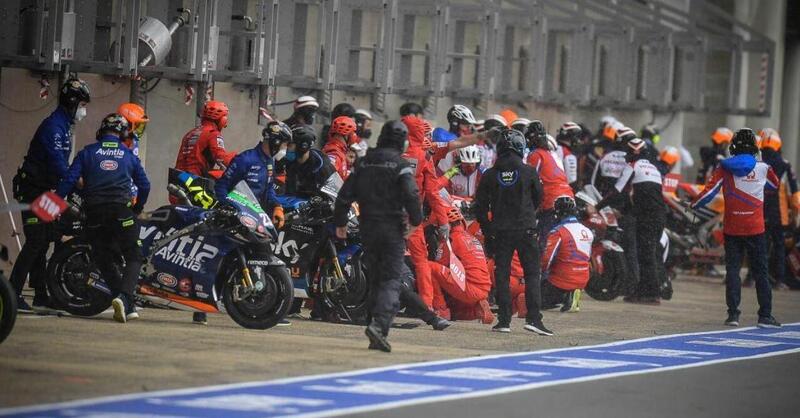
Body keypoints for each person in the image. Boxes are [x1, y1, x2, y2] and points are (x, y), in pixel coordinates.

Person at [333, 121, 423, 352]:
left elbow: (344, 194)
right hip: (391, 229)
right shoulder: (401, 165)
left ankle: (372, 325)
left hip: (367, 228)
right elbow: (411, 194)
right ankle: (379, 326)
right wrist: (416, 219)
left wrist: (341, 222)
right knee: (391, 280)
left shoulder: (364, 162)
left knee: (375, 278)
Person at [56, 114, 150, 323]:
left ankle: (126, 304)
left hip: (94, 213)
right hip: (121, 212)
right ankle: (124, 298)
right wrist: (137, 208)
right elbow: (145, 185)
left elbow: (69, 179)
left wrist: (55, 202)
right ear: (123, 133)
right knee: (134, 256)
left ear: (101, 130)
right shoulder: (128, 155)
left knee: (103, 257)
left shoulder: (87, 152)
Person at [11, 77, 90, 312]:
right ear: (72, 102)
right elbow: (59, 165)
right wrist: (77, 181)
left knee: (46, 238)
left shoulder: (64, 126)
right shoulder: (54, 127)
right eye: (82, 105)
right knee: (36, 240)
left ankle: (41, 294)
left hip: (44, 191)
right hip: (31, 190)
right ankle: (12, 293)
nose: (84, 111)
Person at [692, 128, 781, 328]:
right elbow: (774, 186)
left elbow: (708, 193)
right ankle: (765, 316)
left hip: (732, 228)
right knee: (761, 271)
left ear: (733, 147)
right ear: (755, 147)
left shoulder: (724, 167)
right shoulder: (763, 168)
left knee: (733, 270)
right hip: (756, 228)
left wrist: (693, 205)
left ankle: (733, 315)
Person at [475, 128, 551, 335]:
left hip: (500, 231)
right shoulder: (529, 171)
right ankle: (534, 319)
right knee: (532, 274)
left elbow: (479, 207)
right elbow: (539, 197)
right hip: (526, 229)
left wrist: (488, 230)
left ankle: (504, 321)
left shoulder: (490, 174)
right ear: (520, 147)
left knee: (502, 275)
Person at [596, 137, 665, 304]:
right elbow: (645, 195)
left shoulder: (632, 166)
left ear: (632, 153)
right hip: (659, 216)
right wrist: (623, 211)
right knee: (651, 254)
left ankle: (651, 295)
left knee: (645, 256)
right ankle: (645, 292)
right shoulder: (654, 169)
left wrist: (597, 207)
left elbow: (617, 191)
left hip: (646, 217)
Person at [401, 115, 451, 311]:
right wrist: (444, 221)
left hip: (386, 214)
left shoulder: (392, 152)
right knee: (421, 261)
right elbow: (432, 192)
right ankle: (427, 305)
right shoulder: (424, 157)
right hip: (412, 218)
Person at [758, 129, 799, 290]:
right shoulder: (785, 164)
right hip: (778, 214)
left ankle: (752, 278)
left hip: (758, 212)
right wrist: (796, 212)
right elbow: (794, 191)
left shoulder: (757, 163)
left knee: (758, 245)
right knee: (779, 245)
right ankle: (779, 280)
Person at [525, 123, 574, 250]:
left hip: (551, 201)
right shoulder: (553, 155)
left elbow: (529, 182)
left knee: (544, 243)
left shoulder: (535, 155)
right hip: (568, 198)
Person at [541, 195, 593, 312]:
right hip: (583, 278)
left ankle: (566, 297)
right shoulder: (587, 231)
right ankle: (572, 293)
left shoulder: (558, 232)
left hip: (561, 280)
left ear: (558, 213)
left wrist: (538, 274)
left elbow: (546, 261)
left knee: (534, 300)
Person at [175, 100, 235, 178]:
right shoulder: (213, 133)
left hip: (179, 177)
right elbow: (220, 157)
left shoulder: (190, 133)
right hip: (193, 179)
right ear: (222, 120)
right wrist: (238, 161)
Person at [285, 125, 336, 199]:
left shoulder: (321, 165)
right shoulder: (287, 162)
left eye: (290, 145)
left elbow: (334, 195)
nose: (286, 149)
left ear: (302, 146)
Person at [323, 116, 357, 180]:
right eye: (353, 133)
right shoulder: (334, 153)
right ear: (347, 135)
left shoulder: (339, 151)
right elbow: (327, 178)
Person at [555, 122, 581, 190]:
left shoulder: (553, 148)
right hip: (563, 190)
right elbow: (571, 180)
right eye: (576, 137)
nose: (578, 140)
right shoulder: (568, 154)